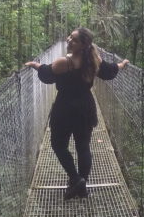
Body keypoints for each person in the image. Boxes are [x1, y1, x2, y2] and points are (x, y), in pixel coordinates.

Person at [24, 27, 129, 199]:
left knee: (58, 145)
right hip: (85, 108)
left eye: (73, 39)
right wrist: (122, 64)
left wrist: (36, 65)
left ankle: (75, 178)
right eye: (69, 37)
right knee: (83, 147)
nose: (68, 40)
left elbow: (47, 76)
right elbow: (109, 70)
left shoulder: (63, 63)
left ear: (83, 44)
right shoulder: (94, 60)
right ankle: (82, 186)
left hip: (64, 109)